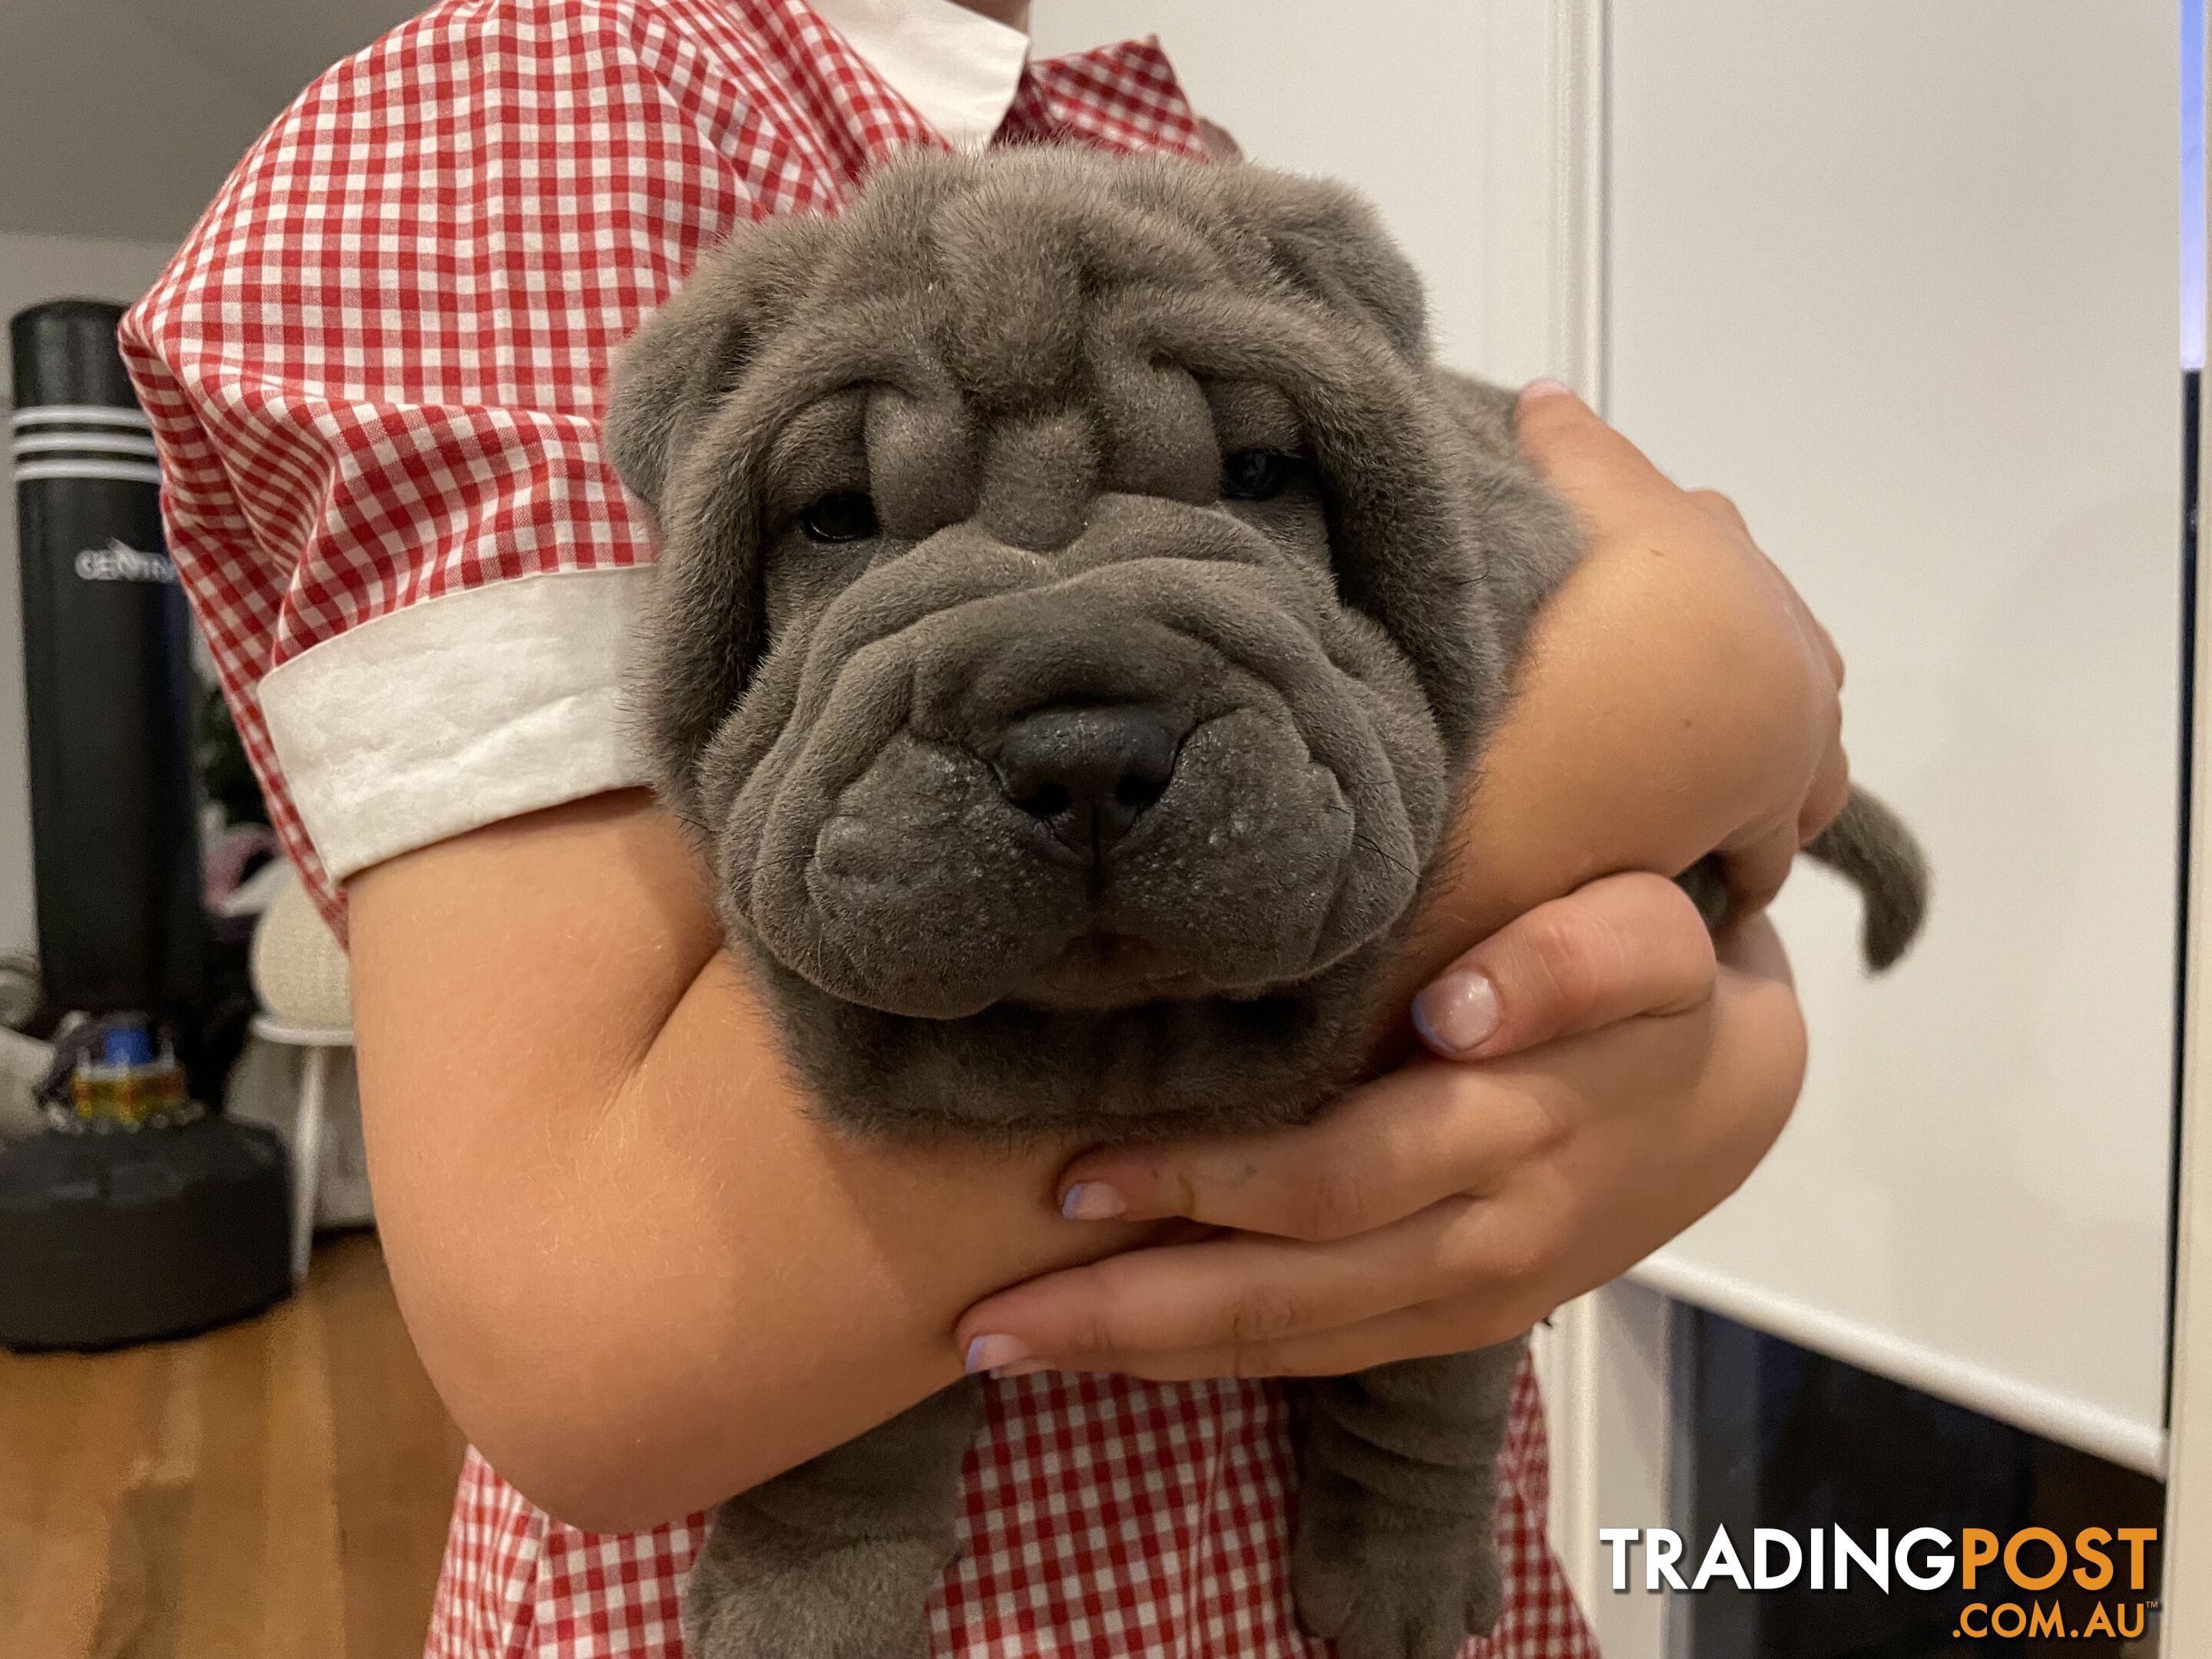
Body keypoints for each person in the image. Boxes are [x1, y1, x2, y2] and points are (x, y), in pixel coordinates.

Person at [119, 0, 1844, 1653]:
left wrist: (1715, 1078)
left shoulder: (1138, 140)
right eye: (851, 513)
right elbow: (597, 1336)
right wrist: (1672, 709)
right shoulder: (516, 127)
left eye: (1247, 476)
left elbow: (1565, 1024)